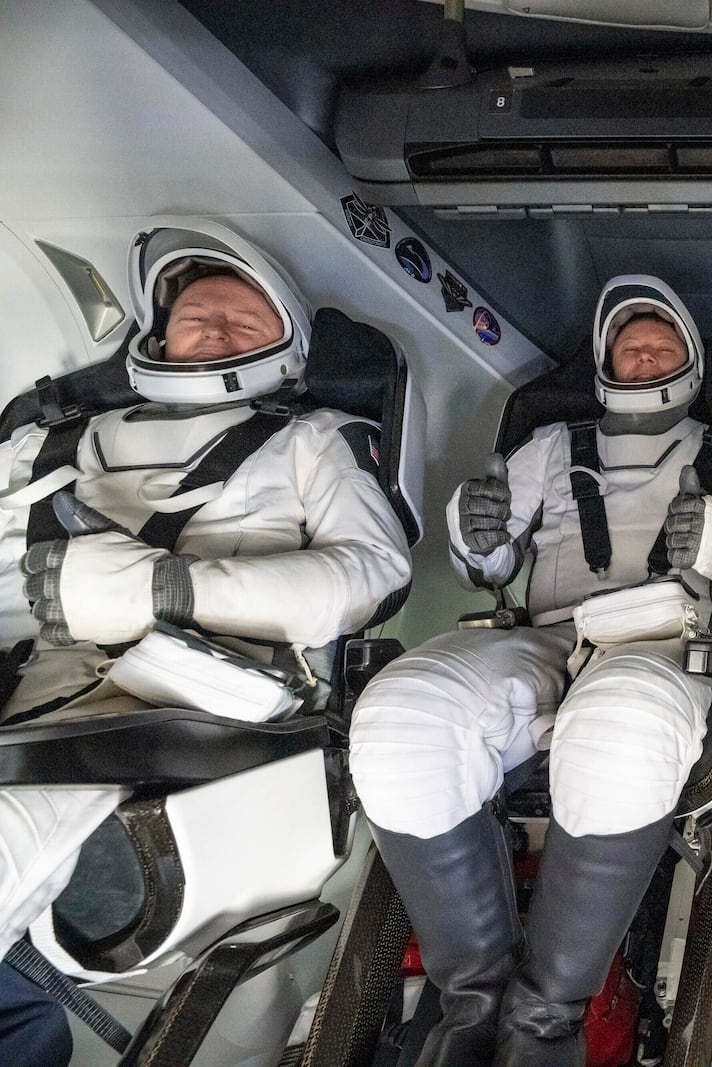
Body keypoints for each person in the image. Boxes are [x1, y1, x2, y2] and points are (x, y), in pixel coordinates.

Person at [349, 275, 712, 1067]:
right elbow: (489, 561)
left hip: (661, 639)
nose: (644, 354)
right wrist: (478, 534)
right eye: (630, 342)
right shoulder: (550, 448)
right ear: (604, 360)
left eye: (661, 343)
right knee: (401, 713)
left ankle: (545, 1022)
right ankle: (472, 1001)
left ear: (688, 363)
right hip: (549, 635)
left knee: (620, 724)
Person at [0, 222, 413, 1051]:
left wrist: (169, 588)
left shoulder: (314, 439)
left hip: (198, 730)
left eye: (245, 320)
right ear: (157, 335)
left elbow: (373, 574)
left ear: (289, 348)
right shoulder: (49, 443)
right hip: (37, 712)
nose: (219, 331)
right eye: (200, 316)